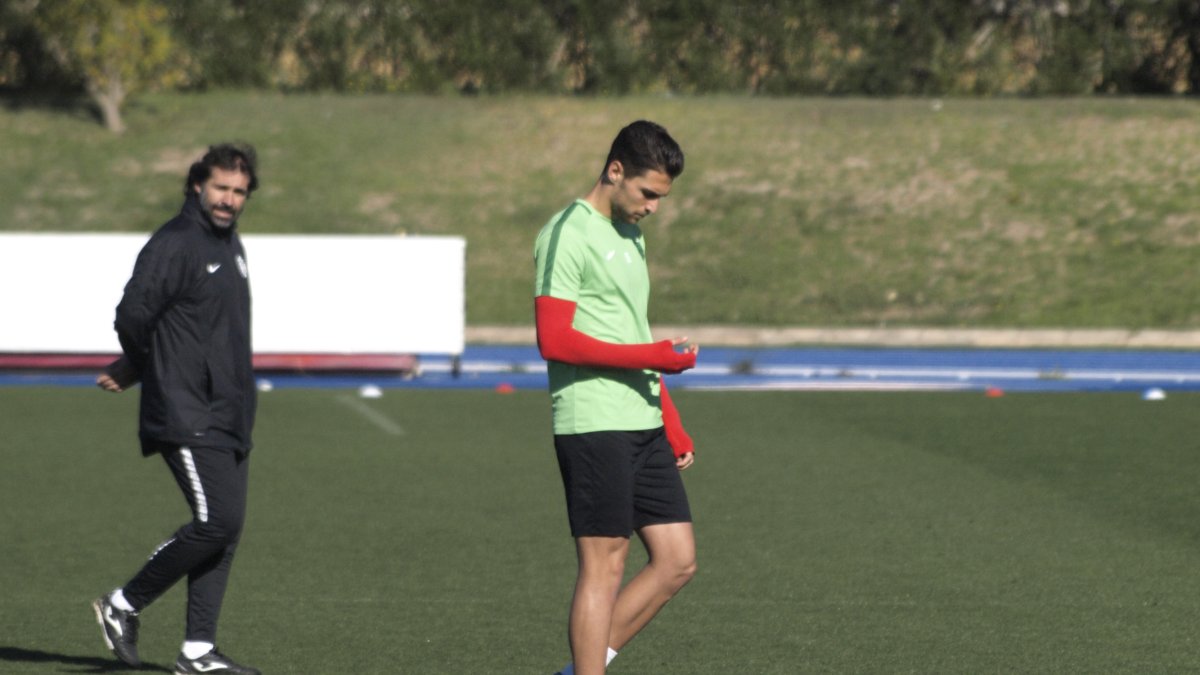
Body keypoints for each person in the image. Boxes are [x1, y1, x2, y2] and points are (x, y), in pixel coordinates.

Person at [533, 120, 700, 675]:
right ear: (615, 170)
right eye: (648, 193)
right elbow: (553, 341)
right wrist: (655, 357)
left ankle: (581, 669)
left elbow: (633, 331)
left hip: (643, 419)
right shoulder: (567, 233)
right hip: (592, 422)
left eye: (661, 198)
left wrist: (669, 419)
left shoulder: (632, 235)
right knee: (604, 567)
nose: (653, 207)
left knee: (676, 560)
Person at [92, 143, 262, 675]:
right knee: (215, 522)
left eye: (238, 192)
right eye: (221, 188)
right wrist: (144, 366)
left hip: (228, 410)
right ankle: (122, 606)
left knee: (225, 527)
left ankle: (197, 652)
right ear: (197, 186)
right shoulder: (177, 243)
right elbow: (132, 314)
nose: (229, 200)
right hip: (187, 409)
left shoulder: (230, 244)